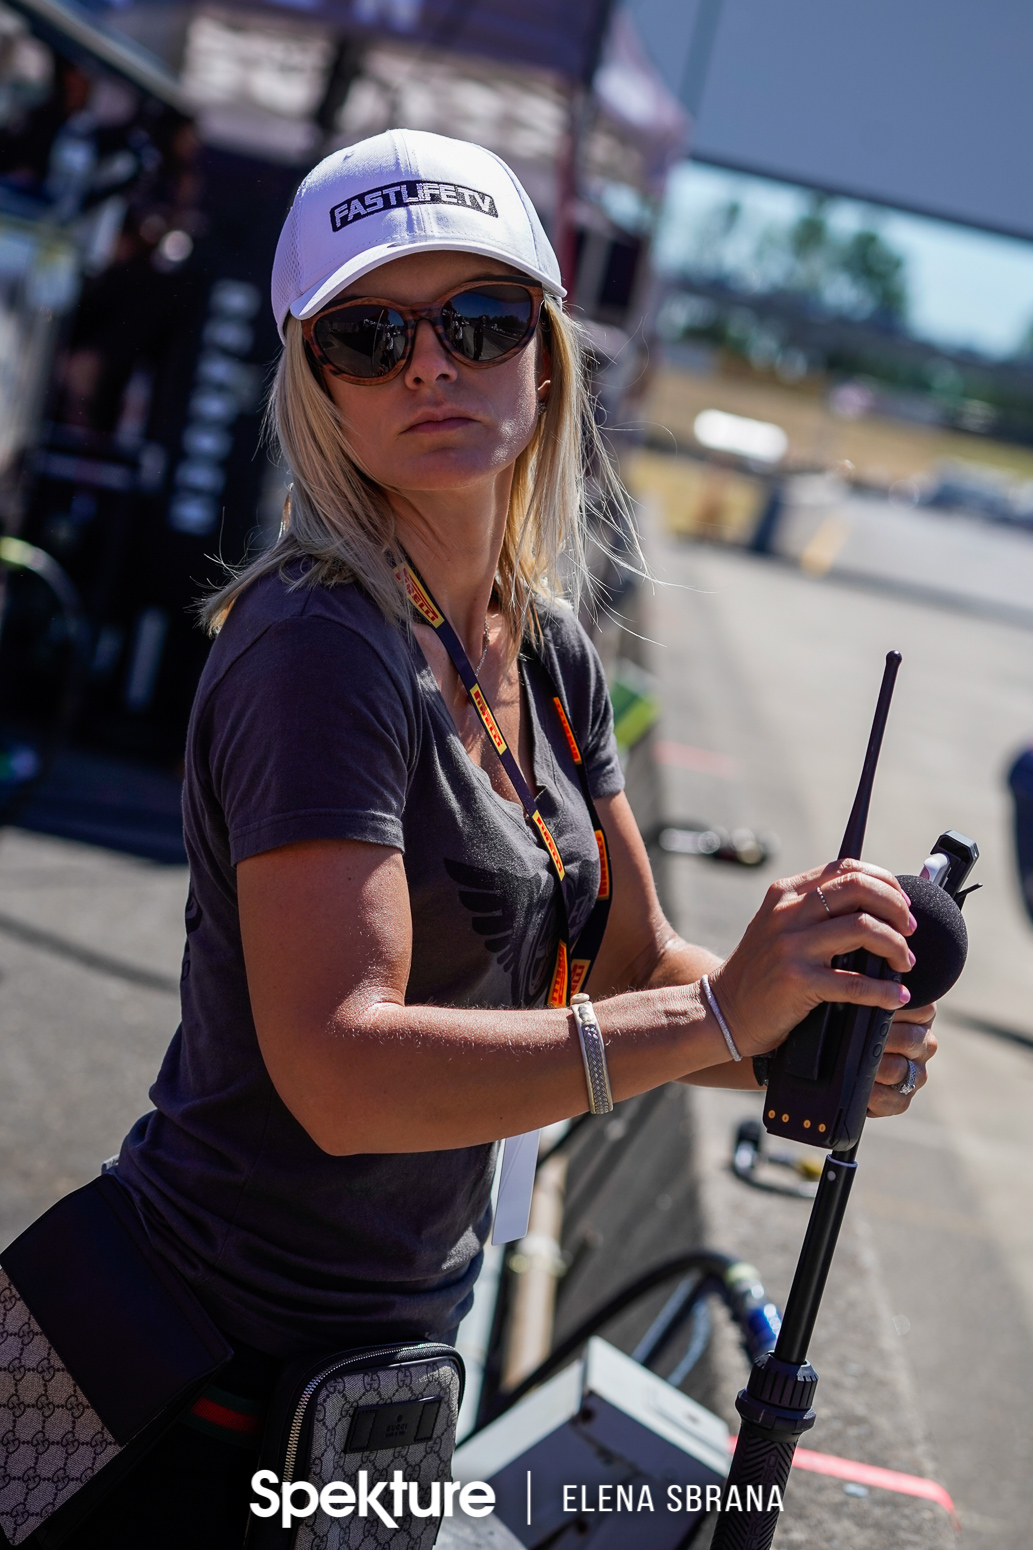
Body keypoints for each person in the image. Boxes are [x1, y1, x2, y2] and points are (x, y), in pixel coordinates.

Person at [78, 130, 935, 1546]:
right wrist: (725, 1010)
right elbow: (343, 1072)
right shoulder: (315, 647)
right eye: (369, 336)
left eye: (478, 322)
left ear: (541, 355)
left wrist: (814, 1039)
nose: (431, 366)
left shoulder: (543, 648)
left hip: (388, 1363)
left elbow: (628, 968)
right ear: (312, 382)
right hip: (212, 1365)